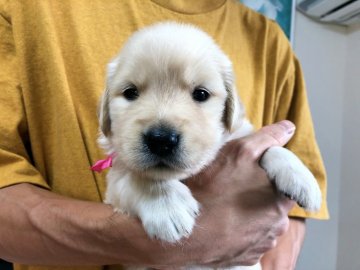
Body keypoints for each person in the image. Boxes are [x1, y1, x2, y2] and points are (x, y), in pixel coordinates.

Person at [0, 0, 329, 270]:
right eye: (131, 92)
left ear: (230, 106)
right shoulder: (23, 8)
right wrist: (148, 207)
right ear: (105, 111)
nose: (162, 131)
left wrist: (276, 157)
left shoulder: (270, 42)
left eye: (200, 94)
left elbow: (292, 211)